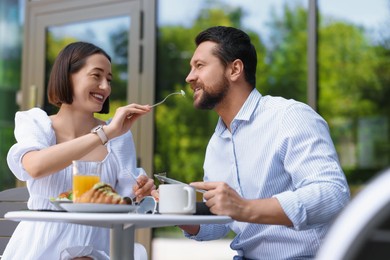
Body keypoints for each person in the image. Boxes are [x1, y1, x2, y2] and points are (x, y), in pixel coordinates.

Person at [181, 26, 350, 259]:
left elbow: (332, 194)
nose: (189, 77)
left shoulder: (289, 116)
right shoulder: (216, 143)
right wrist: (179, 212)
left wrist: (245, 208)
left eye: (199, 66)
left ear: (235, 69)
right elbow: (221, 223)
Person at [3, 42, 155, 260]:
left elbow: (126, 201)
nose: (105, 86)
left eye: (109, 80)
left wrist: (142, 190)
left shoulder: (118, 136)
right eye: (96, 76)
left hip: (100, 247)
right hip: (43, 248)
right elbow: (35, 166)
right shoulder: (36, 123)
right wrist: (104, 134)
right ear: (67, 76)